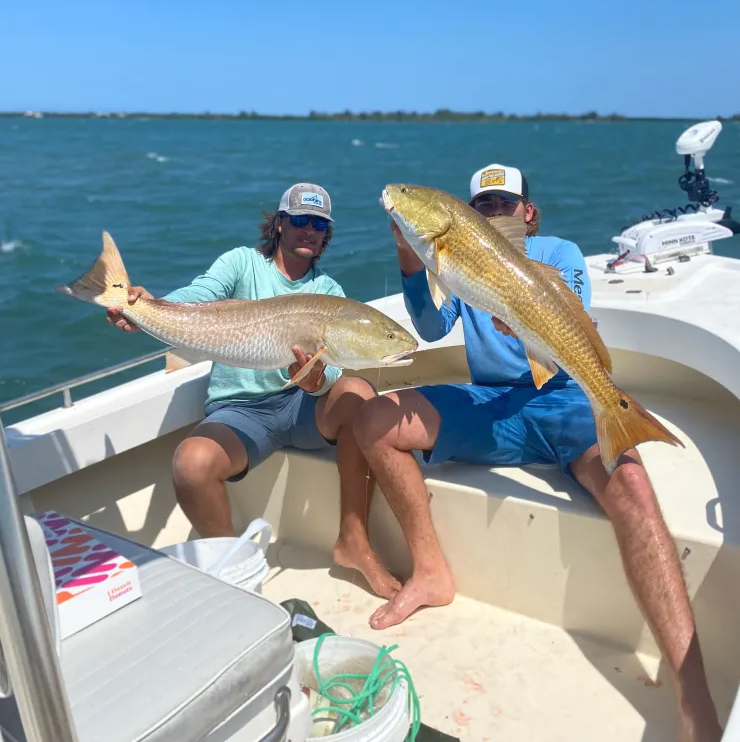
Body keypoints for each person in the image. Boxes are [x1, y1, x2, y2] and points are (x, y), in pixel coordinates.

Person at [353, 163, 721, 741]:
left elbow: (566, 314)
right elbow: (428, 325)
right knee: (373, 417)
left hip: (567, 397)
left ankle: (693, 695)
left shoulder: (561, 252)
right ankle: (429, 571)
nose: (495, 212)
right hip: (492, 402)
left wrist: (515, 317)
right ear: (466, 216)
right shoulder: (451, 255)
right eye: (485, 206)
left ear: (528, 211)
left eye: (505, 204)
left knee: (633, 488)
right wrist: (409, 255)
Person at [106, 182, 400, 599]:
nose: (309, 230)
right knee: (191, 464)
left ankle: (354, 541)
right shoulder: (241, 264)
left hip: (303, 406)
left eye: (319, 224)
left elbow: (331, 376)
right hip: (241, 411)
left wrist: (318, 382)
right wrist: (150, 307)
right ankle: (231, 573)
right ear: (279, 224)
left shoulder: (330, 293)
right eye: (299, 220)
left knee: (358, 393)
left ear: (326, 234)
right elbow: (200, 296)